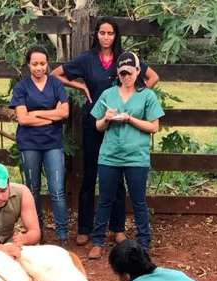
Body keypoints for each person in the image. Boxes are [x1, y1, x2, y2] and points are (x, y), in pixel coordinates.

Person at [52, 17, 159, 247]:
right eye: (102, 32)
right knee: (90, 173)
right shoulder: (87, 59)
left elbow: (153, 77)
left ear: (116, 35)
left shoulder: (124, 57)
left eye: (110, 33)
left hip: (124, 128)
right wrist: (80, 86)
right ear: (96, 35)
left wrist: (137, 97)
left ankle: (117, 228)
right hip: (97, 120)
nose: (106, 37)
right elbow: (56, 74)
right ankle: (85, 228)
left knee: (118, 178)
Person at [87, 52, 164, 259]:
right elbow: (98, 126)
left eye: (130, 72)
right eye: (122, 73)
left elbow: (154, 127)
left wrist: (130, 118)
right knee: (105, 199)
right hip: (110, 155)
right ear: (118, 73)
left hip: (136, 156)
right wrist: (107, 118)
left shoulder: (147, 95)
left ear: (138, 71)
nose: (126, 77)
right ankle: (98, 241)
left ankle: (144, 242)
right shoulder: (108, 94)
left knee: (138, 200)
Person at [10, 46, 69, 244]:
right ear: (28, 65)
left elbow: (64, 113)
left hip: (53, 143)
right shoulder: (21, 87)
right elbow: (23, 119)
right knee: (32, 189)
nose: (39, 67)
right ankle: (37, 231)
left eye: (42, 64)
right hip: (29, 144)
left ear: (47, 64)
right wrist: (51, 116)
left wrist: (37, 114)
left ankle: (62, 234)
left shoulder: (55, 84)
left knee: (57, 190)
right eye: (34, 64)